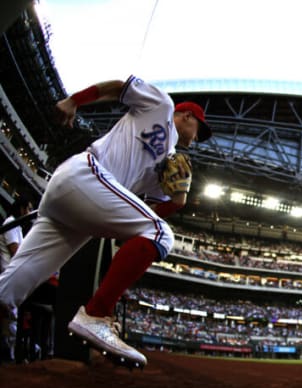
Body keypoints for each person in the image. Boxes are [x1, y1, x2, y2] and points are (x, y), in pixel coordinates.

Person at [0, 75, 212, 368]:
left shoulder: (169, 162)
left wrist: (177, 201)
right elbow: (117, 87)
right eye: (200, 128)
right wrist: (75, 100)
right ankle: (97, 314)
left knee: (6, 294)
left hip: (81, 210)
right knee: (161, 234)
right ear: (187, 116)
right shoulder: (162, 106)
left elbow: (148, 211)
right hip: (86, 173)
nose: (199, 137)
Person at [0, 196, 33, 362]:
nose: (29, 212)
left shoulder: (17, 226)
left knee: (13, 318)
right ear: (21, 209)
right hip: (7, 274)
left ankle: (13, 352)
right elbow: (16, 251)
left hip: (14, 274)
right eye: (28, 208)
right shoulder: (11, 223)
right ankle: (11, 355)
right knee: (10, 317)